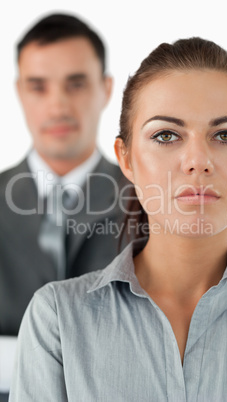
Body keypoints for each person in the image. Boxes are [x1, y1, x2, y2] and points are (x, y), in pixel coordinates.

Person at [9, 37, 227, 401]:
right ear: (126, 158)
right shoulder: (56, 318)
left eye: (225, 135)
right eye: (166, 135)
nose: (198, 160)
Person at [0, 13, 130, 400]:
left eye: (76, 84)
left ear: (106, 89)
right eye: (38, 87)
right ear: (20, 92)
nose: (57, 105)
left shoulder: (152, 205)